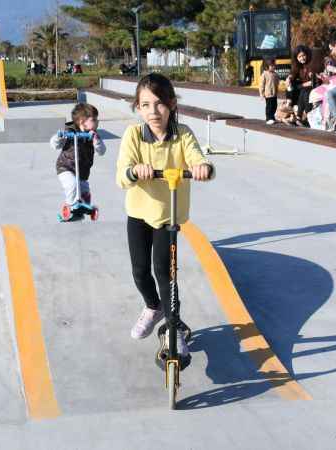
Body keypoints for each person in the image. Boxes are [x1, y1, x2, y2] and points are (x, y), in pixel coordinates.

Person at [116, 73, 215, 361]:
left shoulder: (183, 134)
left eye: (159, 104)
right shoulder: (134, 135)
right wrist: (135, 171)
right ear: (137, 108)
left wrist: (202, 168)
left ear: (171, 104)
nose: (153, 112)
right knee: (139, 271)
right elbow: (122, 175)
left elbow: (197, 157)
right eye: (145, 105)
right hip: (138, 213)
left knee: (164, 272)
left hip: (168, 216)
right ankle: (152, 307)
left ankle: (174, 329)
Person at [51, 103, 106, 216]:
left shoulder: (93, 135)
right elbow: (54, 145)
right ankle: (71, 206)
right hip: (65, 167)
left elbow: (102, 151)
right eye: (94, 119)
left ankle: (84, 205)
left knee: (84, 190)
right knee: (72, 185)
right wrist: (58, 137)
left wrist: (97, 141)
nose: (97, 122)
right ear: (82, 122)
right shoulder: (69, 131)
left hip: (82, 171)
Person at [286, 45, 322, 127]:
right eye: (299, 57)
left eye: (303, 55)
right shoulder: (297, 65)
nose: (302, 58)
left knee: (305, 93)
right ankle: (297, 116)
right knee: (299, 90)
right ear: (296, 58)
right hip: (303, 87)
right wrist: (289, 78)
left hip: (312, 87)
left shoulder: (311, 63)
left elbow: (315, 77)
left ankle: (302, 117)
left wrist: (311, 76)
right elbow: (293, 73)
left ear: (307, 55)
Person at [259, 58, 279, 125]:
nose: (273, 67)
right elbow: (261, 85)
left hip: (274, 94)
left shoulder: (275, 74)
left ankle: (272, 117)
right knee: (269, 106)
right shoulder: (264, 74)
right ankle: (268, 118)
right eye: (272, 65)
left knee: (274, 106)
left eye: (274, 65)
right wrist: (261, 94)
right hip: (268, 94)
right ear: (267, 66)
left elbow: (277, 82)